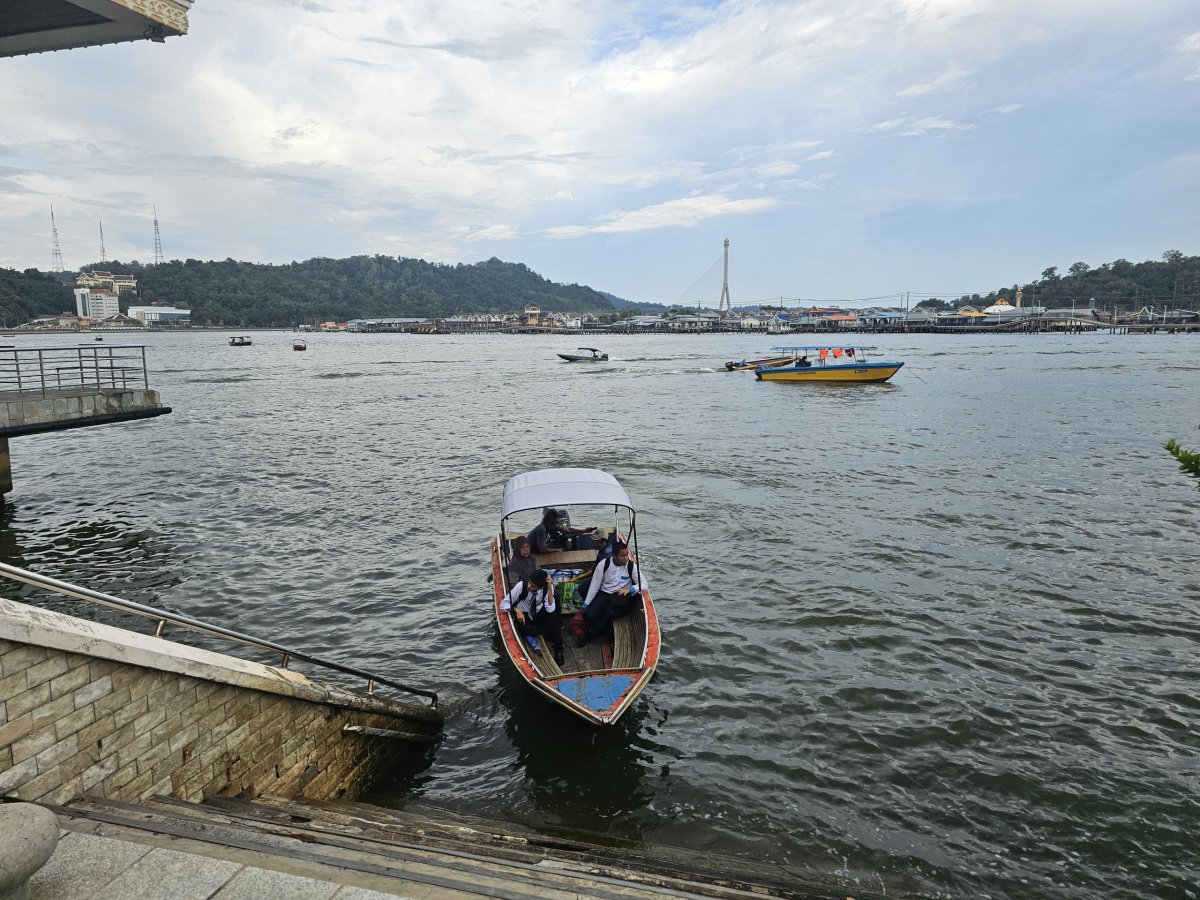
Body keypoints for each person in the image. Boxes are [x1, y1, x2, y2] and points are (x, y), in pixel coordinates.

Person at [578, 542, 648, 647]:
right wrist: (586, 604)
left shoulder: (631, 566)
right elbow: (595, 586)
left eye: (627, 554)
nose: (626, 558)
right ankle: (601, 629)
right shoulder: (603, 564)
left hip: (621, 597)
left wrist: (630, 589)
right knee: (589, 615)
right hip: (604, 593)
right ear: (614, 556)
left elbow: (644, 584)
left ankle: (589, 634)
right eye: (622, 555)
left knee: (609, 613)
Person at [501, 569, 564, 664]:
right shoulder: (521, 586)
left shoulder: (546, 588)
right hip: (524, 614)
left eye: (533, 586)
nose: (529, 586)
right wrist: (516, 609)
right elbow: (504, 603)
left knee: (553, 617)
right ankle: (544, 630)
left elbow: (550, 608)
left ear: (540, 588)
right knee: (523, 628)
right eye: (530, 583)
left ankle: (558, 650)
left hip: (537, 612)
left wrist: (550, 588)